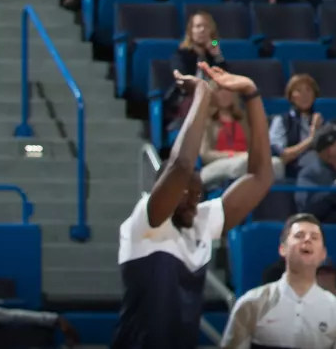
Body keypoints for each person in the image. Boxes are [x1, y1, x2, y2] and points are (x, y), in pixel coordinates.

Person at [113, 65, 272, 348]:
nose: (192, 200)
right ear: (160, 189)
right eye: (183, 192)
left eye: (197, 195)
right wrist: (202, 94)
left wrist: (251, 94)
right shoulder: (145, 222)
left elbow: (260, 177)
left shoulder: (198, 220)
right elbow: (182, 165)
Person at [222, 213, 336, 348]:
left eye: (315, 237)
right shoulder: (251, 303)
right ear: (283, 249)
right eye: (299, 236)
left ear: (323, 254)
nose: (307, 240)